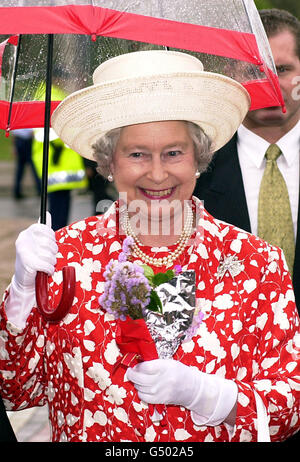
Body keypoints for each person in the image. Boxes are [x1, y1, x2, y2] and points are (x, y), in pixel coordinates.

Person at [0, 50, 299, 443]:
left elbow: (289, 408)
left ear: (198, 157)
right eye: (137, 154)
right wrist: (22, 293)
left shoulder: (255, 263)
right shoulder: (65, 257)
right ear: (109, 161)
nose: (157, 174)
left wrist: (209, 395)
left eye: (173, 153)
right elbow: (17, 390)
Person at [194, 8, 300, 312]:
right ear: (232, 74)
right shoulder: (194, 171)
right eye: (255, 70)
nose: (268, 83)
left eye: (281, 69)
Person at [32, 128, 88, 231]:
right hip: (60, 173)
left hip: (52, 174)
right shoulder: (58, 127)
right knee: (61, 208)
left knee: (57, 207)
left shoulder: (39, 128)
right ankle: (58, 233)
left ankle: (57, 232)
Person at [11, 128, 41, 200]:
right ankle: (40, 189)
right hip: (26, 141)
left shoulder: (17, 118)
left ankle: (17, 191)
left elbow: (14, 133)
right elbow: (33, 132)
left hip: (21, 141)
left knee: (21, 168)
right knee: (32, 167)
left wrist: (14, 146)